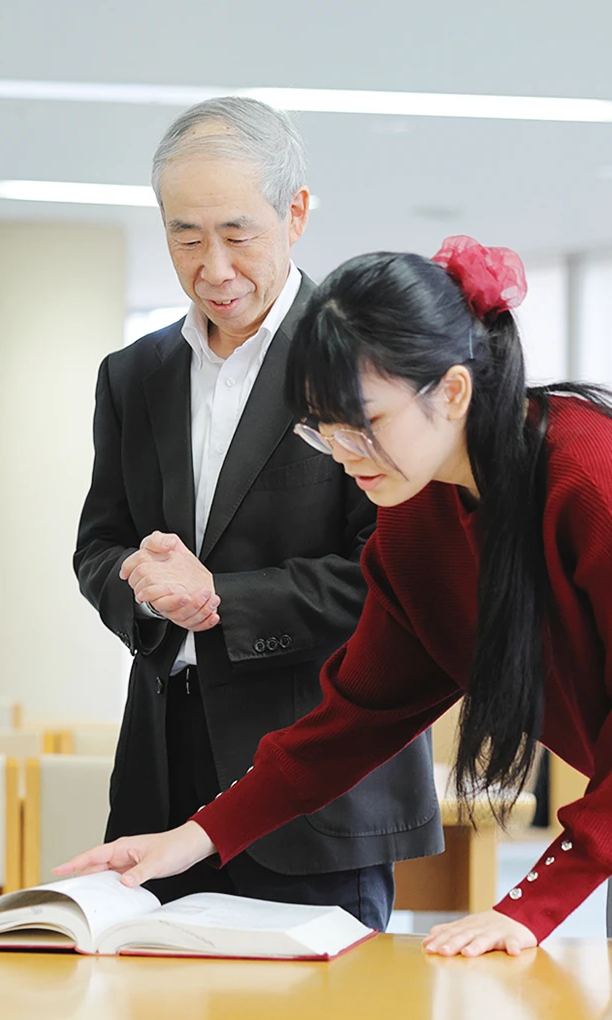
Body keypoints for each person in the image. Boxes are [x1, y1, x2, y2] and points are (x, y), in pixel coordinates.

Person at [60, 238, 612, 1020]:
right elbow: (355, 718)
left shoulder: (596, 481)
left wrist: (526, 909)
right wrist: (194, 838)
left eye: (366, 423)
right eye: (323, 430)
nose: (346, 452)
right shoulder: (415, 524)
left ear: (452, 390)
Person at [71, 96, 439, 928]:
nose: (214, 267)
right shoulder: (134, 376)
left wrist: (222, 597)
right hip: (161, 768)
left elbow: (396, 571)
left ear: (296, 213)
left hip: (318, 769)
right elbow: (98, 543)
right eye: (185, 236)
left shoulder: (368, 364)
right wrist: (138, 580)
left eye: (237, 233)